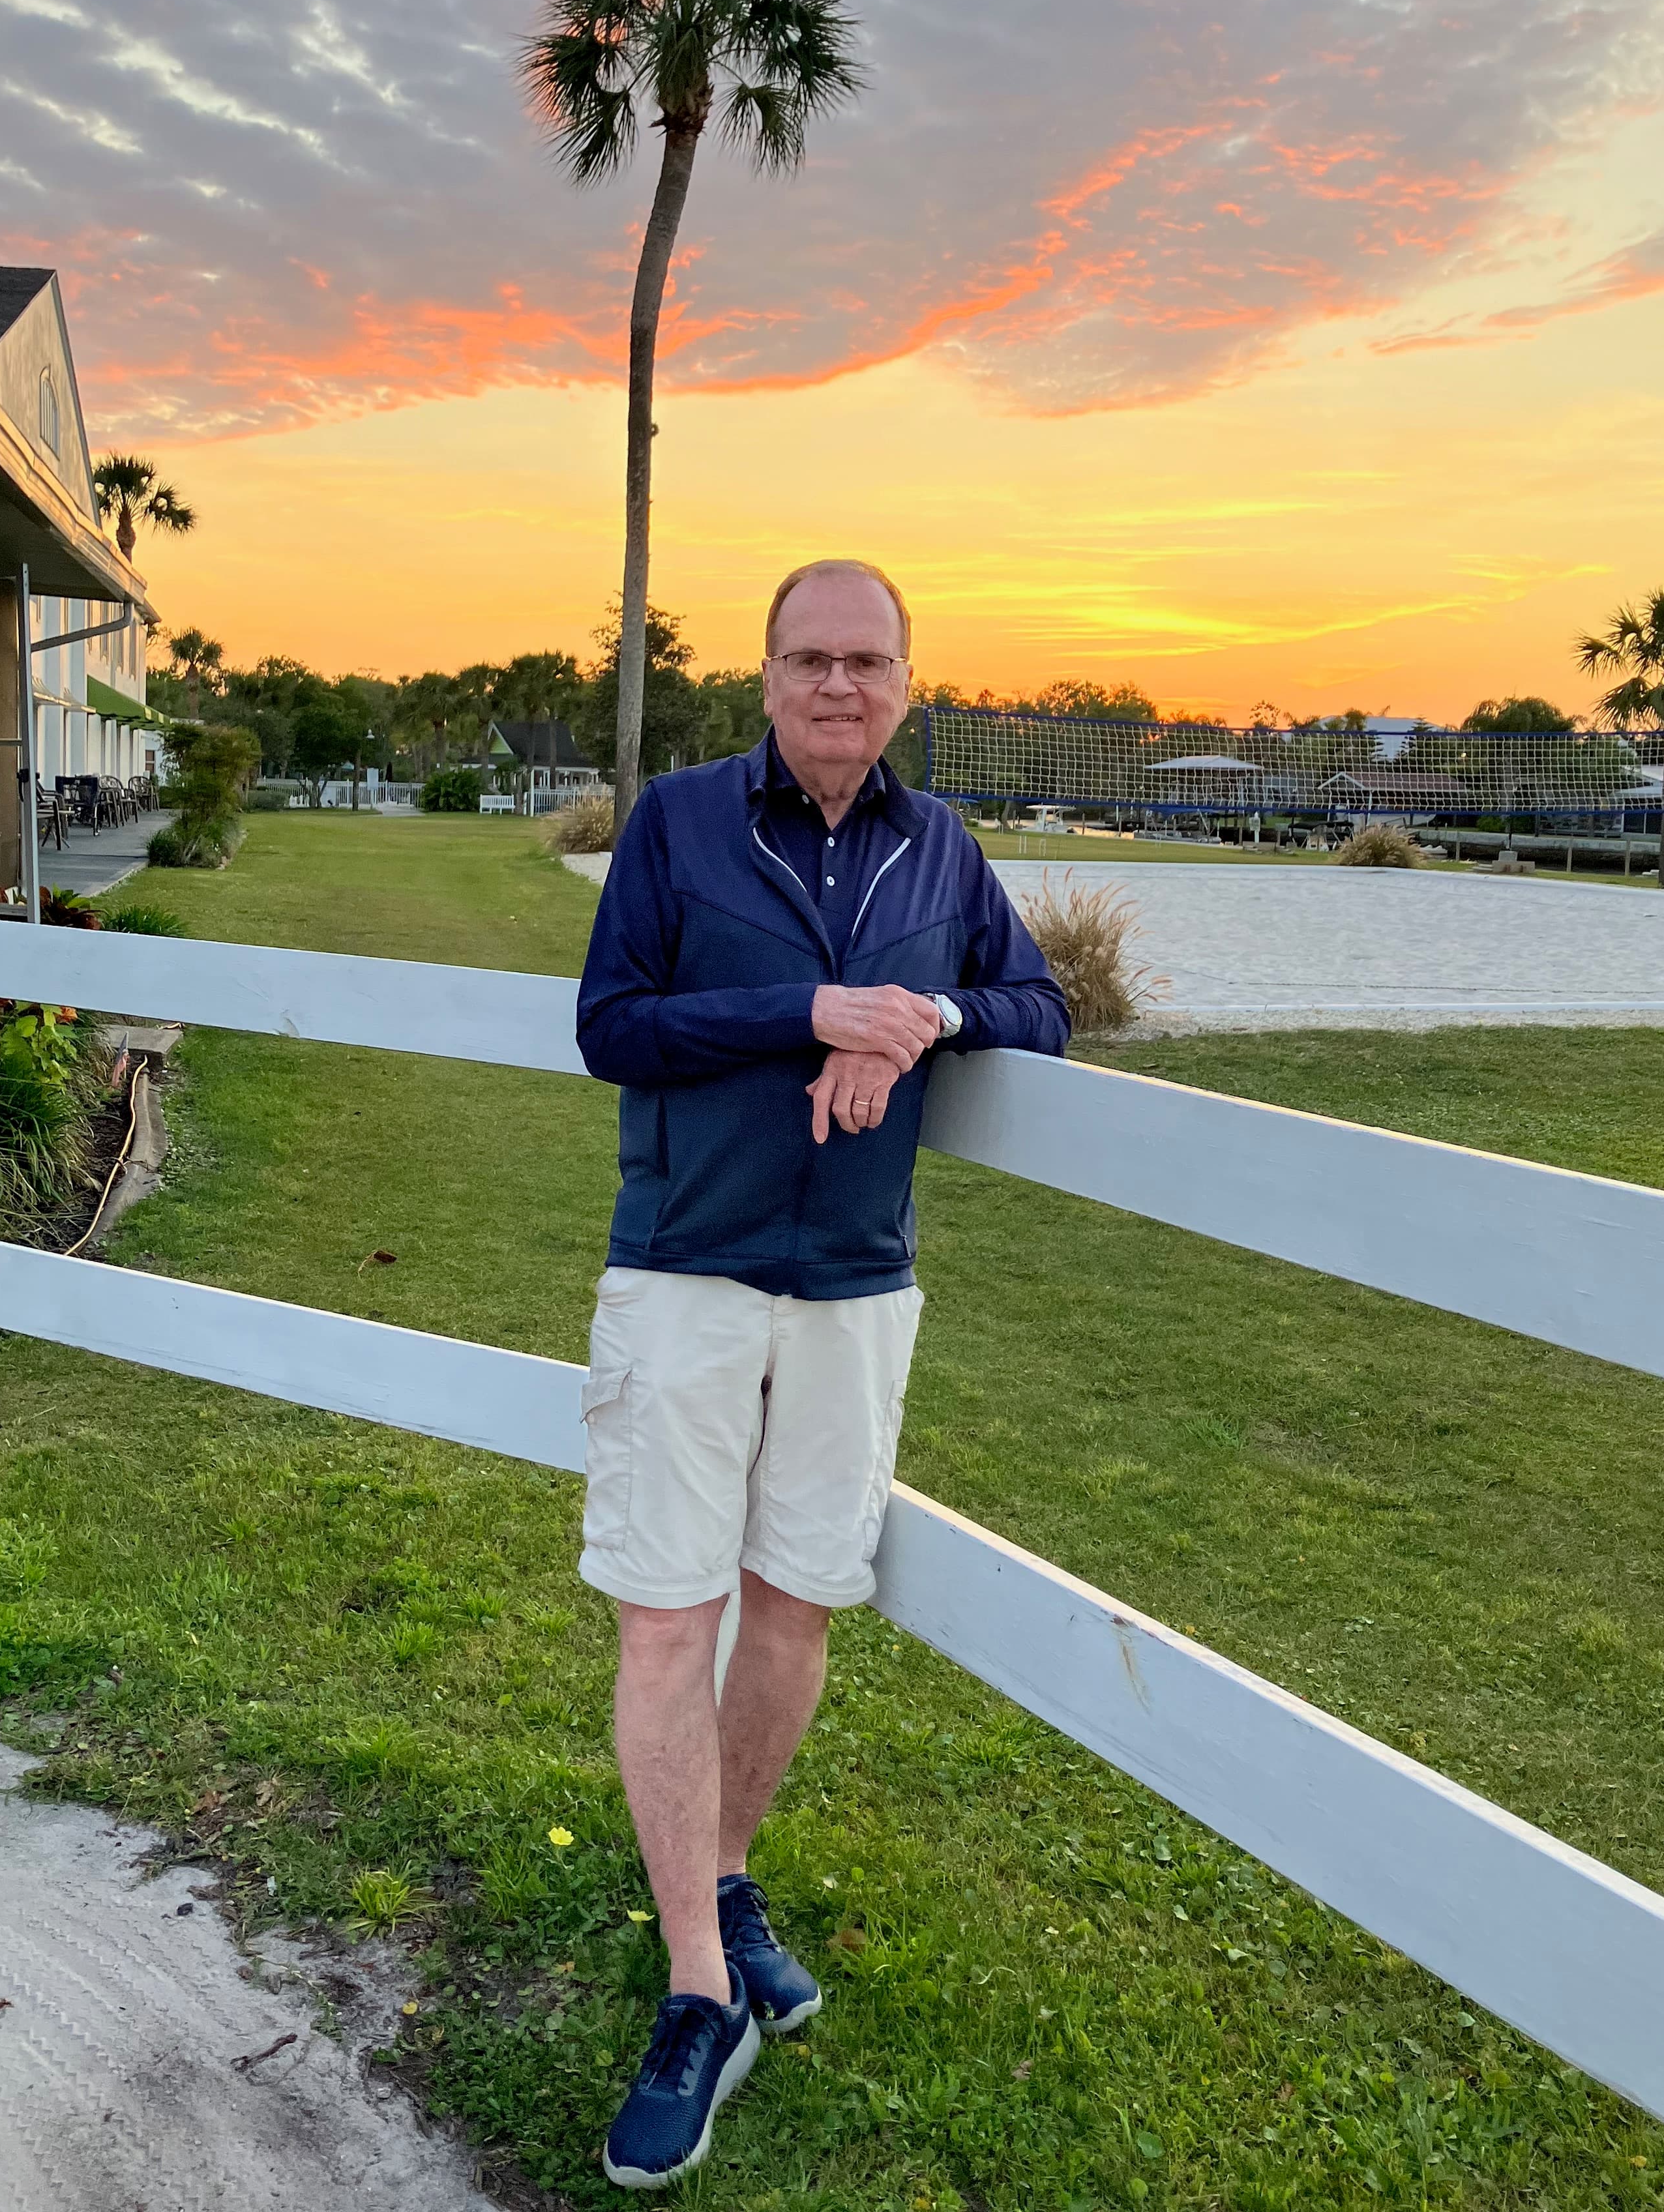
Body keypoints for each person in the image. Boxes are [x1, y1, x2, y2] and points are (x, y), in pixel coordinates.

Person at [574, 558, 1069, 2187]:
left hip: (856, 1288)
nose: (838, 686)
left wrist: (912, 1014)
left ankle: (718, 1878)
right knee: (669, 1615)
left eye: (866, 660)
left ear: (908, 684)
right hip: (690, 1273)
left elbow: (1039, 1009)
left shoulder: (945, 852)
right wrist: (810, 1007)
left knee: (792, 1604)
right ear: (765, 680)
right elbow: (615, 1026)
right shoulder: (678, 824)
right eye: (809, 660)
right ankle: (699, 1991)